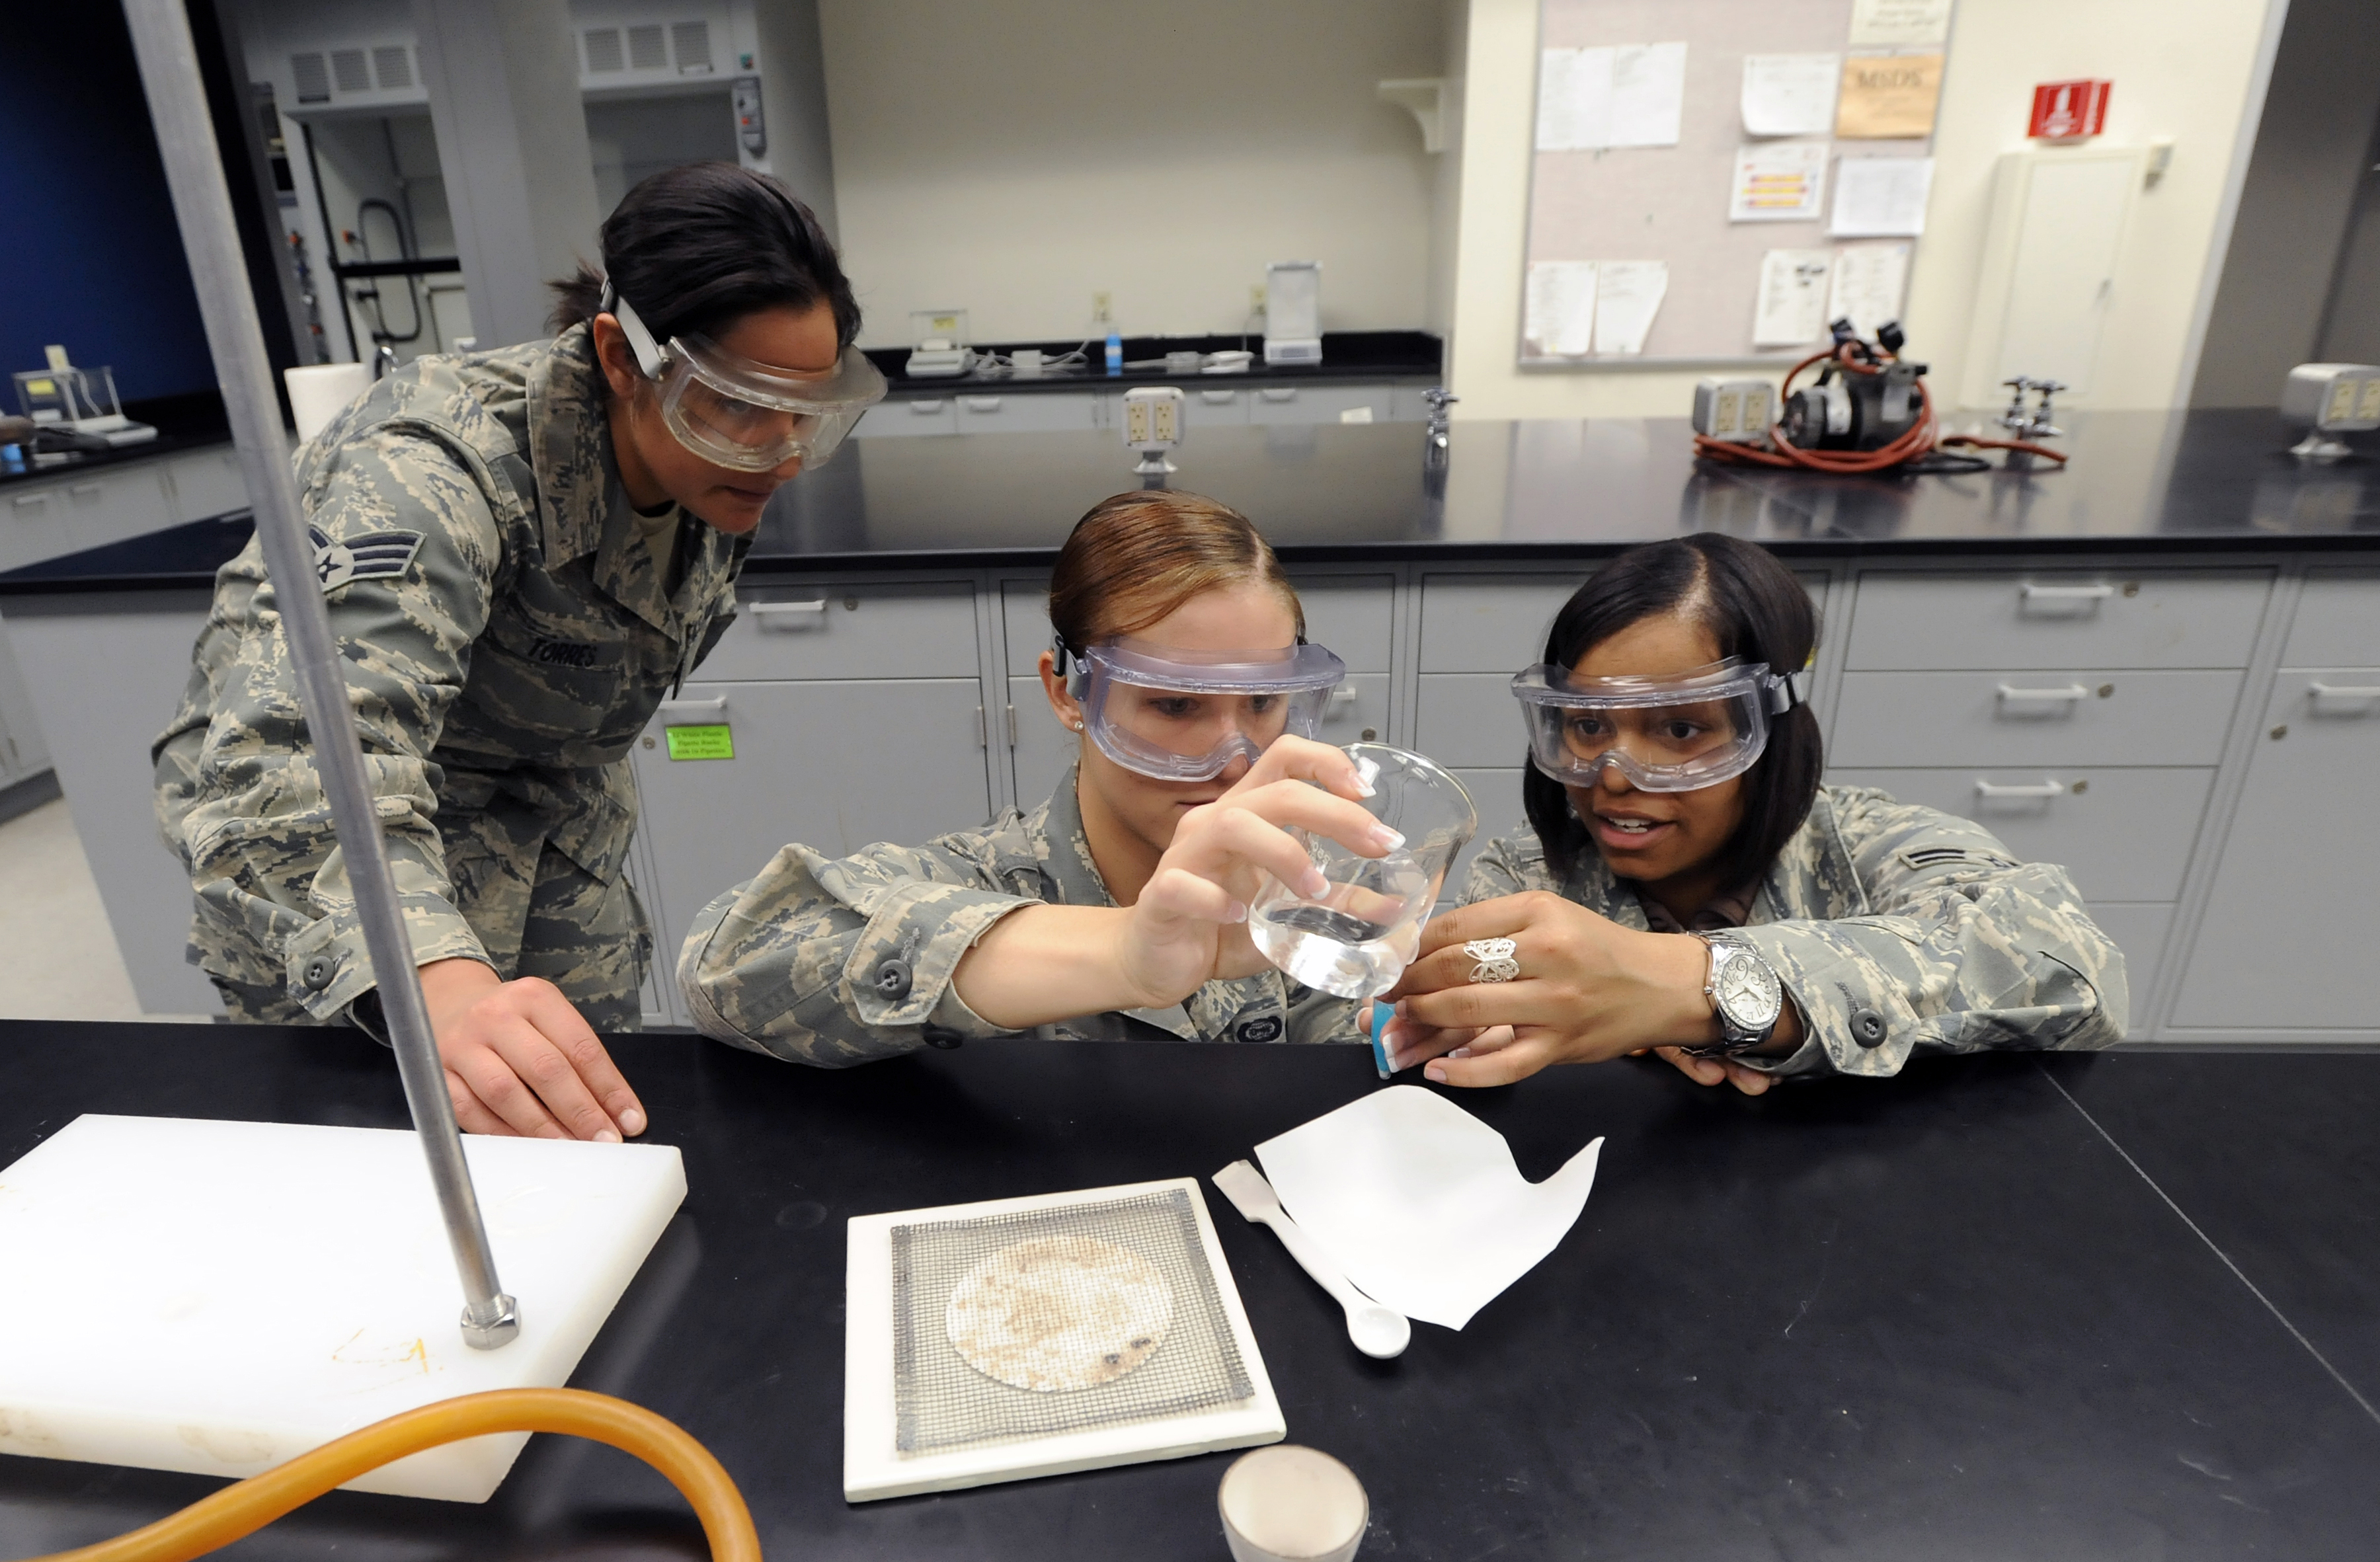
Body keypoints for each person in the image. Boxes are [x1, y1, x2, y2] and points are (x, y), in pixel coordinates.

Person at [153, 163, 883, 1141]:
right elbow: (295, 760)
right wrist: (437, 983)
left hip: (552, 829)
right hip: (342, 873)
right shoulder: (430, 469)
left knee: (593, 1144)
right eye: (741, 405)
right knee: (387, 1189)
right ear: (622, 358)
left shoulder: (707, 461)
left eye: (808, 410)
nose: (786, 454)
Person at [1372, 533, 2126, 1092]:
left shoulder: (1868, 847)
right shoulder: (1529, 880)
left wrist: (1701, 988)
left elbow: (2069, 969)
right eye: (1589, 725)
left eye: (1680, 730)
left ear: (1770, 726)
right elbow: (1422, 1039)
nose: (1616, 776)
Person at [679, 490, 1393, 1062]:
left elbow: (1349, 1040)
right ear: (1067, 693)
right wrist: (1119, 953)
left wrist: (1424, 1028)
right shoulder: (981, 881)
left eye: (1264, 703)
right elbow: (726, 964)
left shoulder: (1286, 884)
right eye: (1176, 705)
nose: (1235, 759)